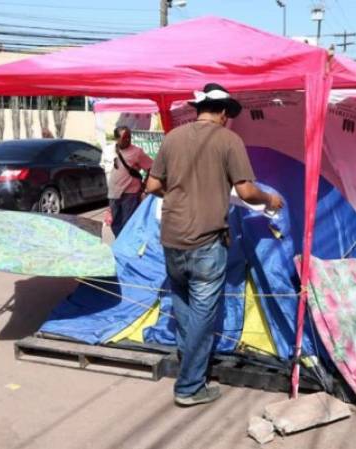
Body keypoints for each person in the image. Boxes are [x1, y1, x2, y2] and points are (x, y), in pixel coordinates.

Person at [145, 83, 284, 406]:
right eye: (227, 115)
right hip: (206, 242)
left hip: (171, 238)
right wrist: (270, 198)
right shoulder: (228, 140)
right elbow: (247, 192)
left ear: (199, 108)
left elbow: (153, 184)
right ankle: (190, 386)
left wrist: (181, 197)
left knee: (184, 307)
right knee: (204, 316)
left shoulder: (173, 138)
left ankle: (188, 359)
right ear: (222, 113)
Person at [107, 126, 153, 237]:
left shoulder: (137, 152)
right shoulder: (110, 150)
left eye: (129, 137)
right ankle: (120, 244)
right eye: (124, 137)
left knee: (128, 224)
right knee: (115, 224)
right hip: (113, 194)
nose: (128, 139)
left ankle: (127, 249)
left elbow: (152, 167)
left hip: (130, 195)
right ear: (116, 139)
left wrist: (144, 186)